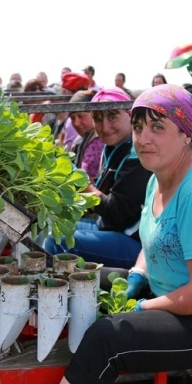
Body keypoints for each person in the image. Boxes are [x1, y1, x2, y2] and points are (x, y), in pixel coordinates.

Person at [40, 84, 192, 384]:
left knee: (106, 339)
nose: (142, 138)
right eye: (139, 126)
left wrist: (145, 306)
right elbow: (153, 243)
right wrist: (139, 273)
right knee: (74, 280)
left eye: (158, 127)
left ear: (187, 135)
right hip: (170, 294)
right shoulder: (158, 178)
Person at [44, 87, 152, 269]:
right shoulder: (114, 147)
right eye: (98, 119)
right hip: (113, 228)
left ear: (130, 114)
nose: (104, 127)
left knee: (57, 241)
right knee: (52, 225)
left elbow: (116, 214)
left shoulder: (137, 155)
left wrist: (78, 180)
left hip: (137, 244)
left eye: (112, 117)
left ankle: (62, 294)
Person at [67, 91, 104, 181]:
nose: (76, 123)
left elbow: (87, 182)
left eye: (81, 116)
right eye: (72, 118)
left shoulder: (99, 141)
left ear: (95, 115)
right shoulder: (80, 140)